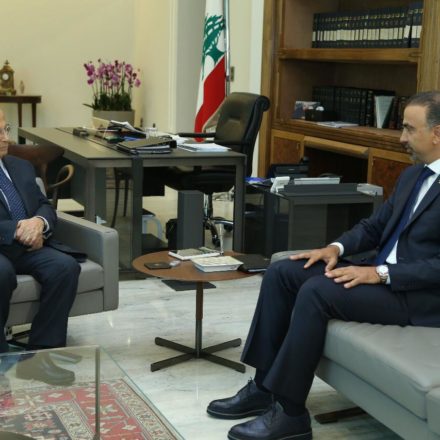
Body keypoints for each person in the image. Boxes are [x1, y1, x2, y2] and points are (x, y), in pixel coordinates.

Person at [207, 90, 440, 440]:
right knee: (284, 271)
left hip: (418, 297)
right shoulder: (413, 175)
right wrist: (335, 247)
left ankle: (291, 414)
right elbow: (375, 227)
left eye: (409, 128)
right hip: (382, 277)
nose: (401, 138)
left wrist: (379, 273)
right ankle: (264, 387)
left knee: (317, 291)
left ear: (437, 133)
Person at [0, 109, 80, 385]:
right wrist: (17, 229)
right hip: (4, 246)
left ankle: (39, 358)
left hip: (29, 246)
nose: (6, 138)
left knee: (65, 267)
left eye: (5, 129)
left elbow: (44, 205)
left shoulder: (20, 166)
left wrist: (38, 223)